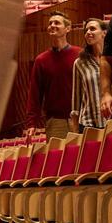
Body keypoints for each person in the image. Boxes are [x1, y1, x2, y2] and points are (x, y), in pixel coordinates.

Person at [25, 10, 81, 139]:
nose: (52, 25)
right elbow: (35, 93)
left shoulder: (80, 55)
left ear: (68, 28)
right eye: (50, 23)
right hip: (56, 121)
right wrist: (31, 123)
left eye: (57, 23)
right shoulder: (41, 60)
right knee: (58, 158)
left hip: (81, 118)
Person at [69, 17, 108, 133]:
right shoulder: (79, 63)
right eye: (86, 31)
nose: (88, 33)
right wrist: (75, 130)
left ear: (104, 33)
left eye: (92, 29)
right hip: (88, 124)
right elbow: (76, 101)